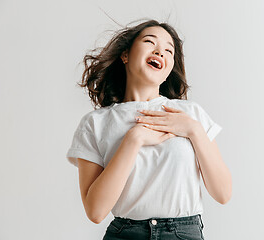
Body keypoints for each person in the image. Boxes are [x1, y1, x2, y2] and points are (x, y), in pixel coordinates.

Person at [66, 18, 232, 240]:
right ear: (125, 55)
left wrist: (194, 130)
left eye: (169, 50)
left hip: (184, 234)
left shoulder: (190, 114)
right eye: (149, 41)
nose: (160, 51)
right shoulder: (95, 123)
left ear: (170, 68)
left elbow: (223, 193)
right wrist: (133, 139)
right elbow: (96, 211)